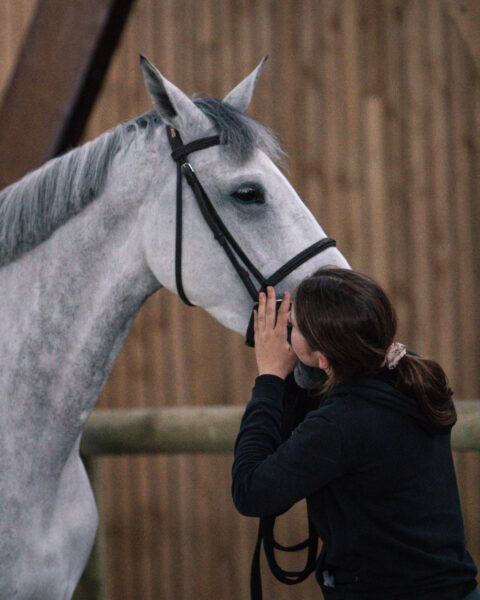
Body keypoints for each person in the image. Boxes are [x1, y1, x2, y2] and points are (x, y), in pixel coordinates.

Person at [232, 267, 479, 600]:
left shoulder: (344, 422)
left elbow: (251, 492)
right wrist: (301, 366)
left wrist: (270, 377)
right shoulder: (407, 377)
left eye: (295, 325)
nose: (288, 329)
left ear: (323, 357)